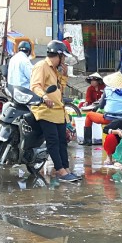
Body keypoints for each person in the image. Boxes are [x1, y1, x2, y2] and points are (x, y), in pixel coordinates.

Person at [30, 40, 79, 182]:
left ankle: (66, 168)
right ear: (57, 55)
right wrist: (44, 96)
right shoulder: (41, 66)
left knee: (63, 141)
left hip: (58, 111)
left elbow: (59, 90)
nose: (63, 60)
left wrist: (63, 75)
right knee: (53, 141)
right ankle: (60, 170)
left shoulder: (54, 69)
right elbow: (35, 86)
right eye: (63, 57)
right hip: (46, 110)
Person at [81, 72, 122, 146]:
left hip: (108, 119)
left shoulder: (107, 90)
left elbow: (101, 106)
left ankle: (87, 141)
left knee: (89, 115)